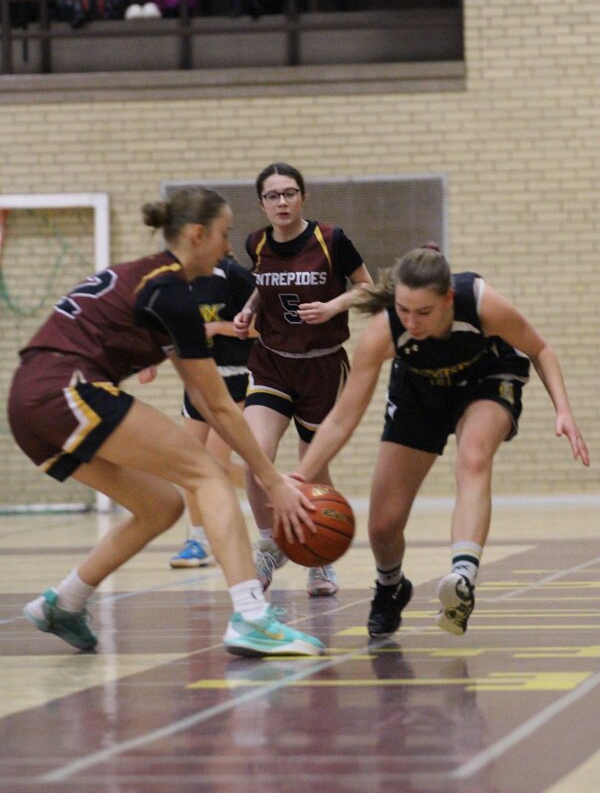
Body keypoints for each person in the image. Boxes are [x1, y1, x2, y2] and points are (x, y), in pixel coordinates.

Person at [8, 185, 325, 658]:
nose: (227, 246)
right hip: (63, 389)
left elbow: (200, 391)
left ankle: (64, 601)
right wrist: (272, 480)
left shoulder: (152, 281)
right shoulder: (170, 292)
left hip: (27, 403)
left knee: (161, 506)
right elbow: (217, 405)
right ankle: (251, 616)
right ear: (197, 234)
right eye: (223, 234)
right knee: (208, 474)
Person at [294, 244, 589, 636]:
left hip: (486, 378)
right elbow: (342, 418)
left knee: (473, 457)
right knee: (382, 525)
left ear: (448, 299)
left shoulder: (480, 303)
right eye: (403, 310)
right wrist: (300, 477)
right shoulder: (384, 331)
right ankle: (390, 586)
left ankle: (462, 580)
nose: (411, 322)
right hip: (419, 390)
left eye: (423, 312)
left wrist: (563, 409)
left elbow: (540, 348)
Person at [233, 162, 373, 597]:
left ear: (303, 197)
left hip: (322, 365)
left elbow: (368, 287)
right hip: (271, 362)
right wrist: (248, 310)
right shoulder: (256, 242)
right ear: (262, 203)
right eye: (273, 195)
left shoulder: (331, 239)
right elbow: (264, 285)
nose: (282, 202)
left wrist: (333, 307)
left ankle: (318, 557)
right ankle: (269, 545)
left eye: (290, 193)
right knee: (254, 456)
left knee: (312, 467)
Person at [139, 253, 258, 569]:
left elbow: (265, 327)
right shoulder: (178, 281)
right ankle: (197, 540)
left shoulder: (233, 275)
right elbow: (167, 328)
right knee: (190, 463)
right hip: (198, 380)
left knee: (216, 464)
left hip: (235, 377)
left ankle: (273, 489)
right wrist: (150, 359)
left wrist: (218, 327)